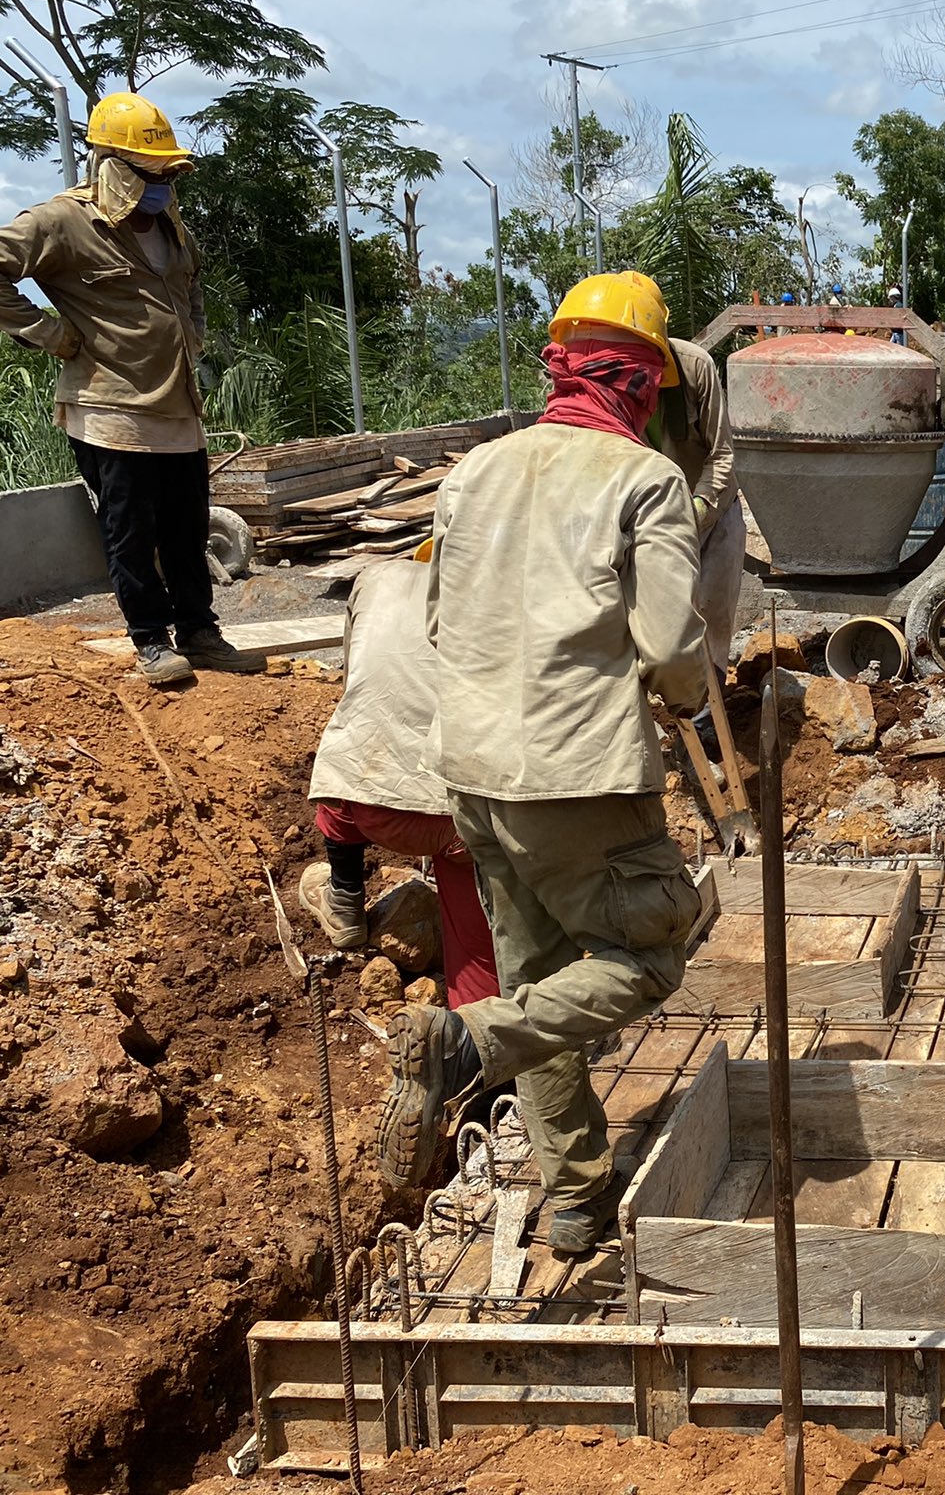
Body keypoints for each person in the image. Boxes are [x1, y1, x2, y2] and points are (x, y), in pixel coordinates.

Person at [376, 271, 709, 1257]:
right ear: (644, 386)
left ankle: (573, 1195)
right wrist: (689, 701)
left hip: (471, 772)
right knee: (650, 953)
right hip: (579, 780)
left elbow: (436, 618)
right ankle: (462, 1046)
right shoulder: (642, 481)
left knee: (534, 977)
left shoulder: (473, 473)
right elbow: (668, 641)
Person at [0, 92, 260, 685]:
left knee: (186, 528)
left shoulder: (169, 224)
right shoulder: (61, 222)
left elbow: (190, 285)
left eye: (169, 175)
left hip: (177, 407)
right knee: (131, 533)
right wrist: (48, 333)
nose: (162, 186)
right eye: (150, 174)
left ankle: (199, 630)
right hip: (110, 409)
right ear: (113, 166)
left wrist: (191, 338)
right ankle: (150, 640)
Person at [299, 544, 498, 1009]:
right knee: (475, 947)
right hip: (463, 823)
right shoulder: (500, 596)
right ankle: (480, 1033)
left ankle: (345, 900)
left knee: (350, 750)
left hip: (370, 805)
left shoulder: (376, 579)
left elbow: (357, 682)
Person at [647, 317, 740, 698]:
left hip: (712, 510)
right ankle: (672, 711)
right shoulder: (599, 381)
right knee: (663, 622)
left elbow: (722, 454)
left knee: (712, 614)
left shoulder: (694, 366)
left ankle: (709, 718)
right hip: (653, 519)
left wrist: (699, 510)